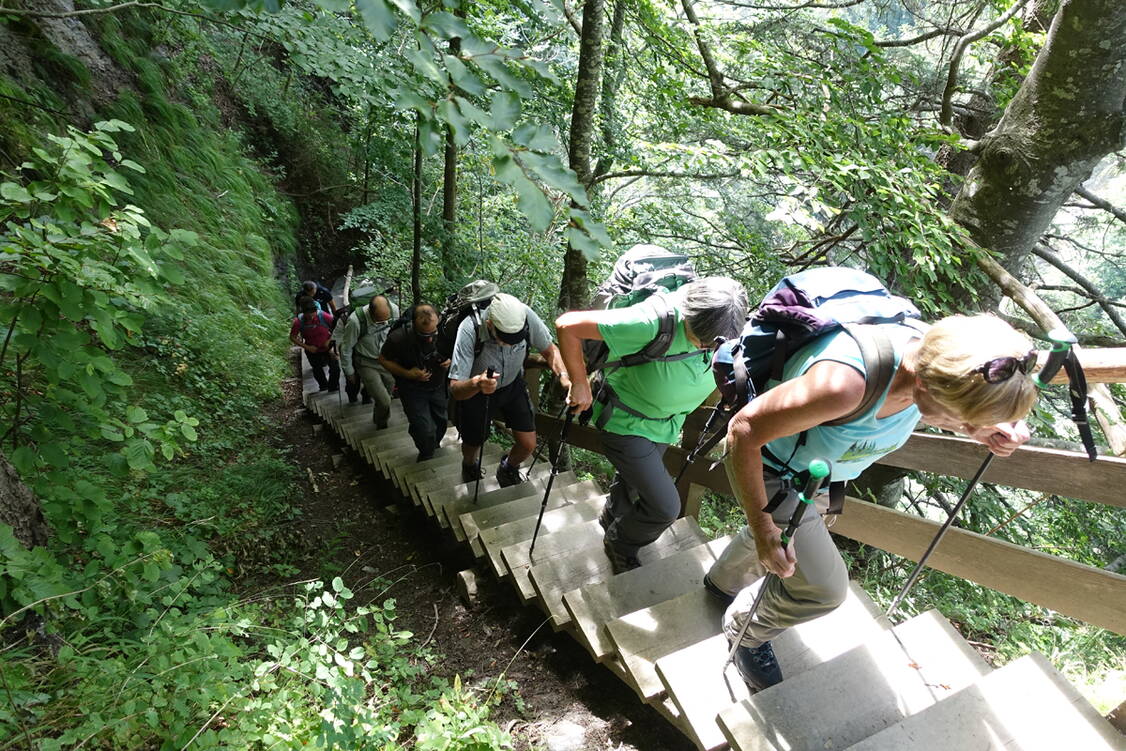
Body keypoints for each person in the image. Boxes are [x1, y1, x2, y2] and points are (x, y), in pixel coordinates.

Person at [703, 313, 1036, 692]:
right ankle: (744, 631)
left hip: (824, 475)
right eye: (960, 421)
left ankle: (720, 583)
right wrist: (765, 528)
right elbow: (742, 432)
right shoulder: (845, 385)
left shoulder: (944, 358)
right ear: (925, 386)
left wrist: (992, 417)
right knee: (823, 589)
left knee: (785, 543)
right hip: (776, 472)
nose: (968, 431)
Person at [557, 278, 750, 573]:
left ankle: (612, 515)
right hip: (625, 423)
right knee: (664, 507)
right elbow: (568, 325)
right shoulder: (649, 322)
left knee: (636, 482)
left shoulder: (723, 326)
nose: (711, 350)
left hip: (666, 424)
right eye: (705, 342)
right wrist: (580, 382)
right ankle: (620, 542)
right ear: (690, 316)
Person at [448, 292, 569, 486]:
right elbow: (455, 388)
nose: (509, 344)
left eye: (516, 339)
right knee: (474, 440)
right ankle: (469, 464)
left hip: (513, 386)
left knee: (528, 444)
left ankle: (508, 468)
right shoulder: (470, 328)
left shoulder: (525, 316)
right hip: (477, 391)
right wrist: (477, 383)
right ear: (490, 326)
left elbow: (549, 350)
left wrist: (564, 377)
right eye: (505, 340)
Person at [379, 304, 451, 461]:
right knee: (424, 428)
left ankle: (434, 444)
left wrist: (450, 361)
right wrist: (408, 373)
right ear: (413, 326)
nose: (431, 339)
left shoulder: (446, 331)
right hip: (412, 390)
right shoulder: (399, 338)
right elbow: (383, 359)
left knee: (442, 421)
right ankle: (426, 453)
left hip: (438, 386)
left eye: (434, 333)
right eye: (425, 336)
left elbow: (457, 350)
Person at [337, 295, 398, 428]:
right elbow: (346, 348)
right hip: (366, 363)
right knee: (384, 401)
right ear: (371, 312)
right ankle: (382, 423)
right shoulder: (355, 321)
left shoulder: (394, 310)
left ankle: (378, 417)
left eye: (386, 319)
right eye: (380, 320)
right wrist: (349, 371)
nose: (384, 322)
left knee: (386, 395)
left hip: (388, 361)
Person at [290, 296, 339, 392]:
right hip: (312, 350)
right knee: (317, 370)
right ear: (304, 313)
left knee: (335, 368)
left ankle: (333, 386)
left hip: (328, 348)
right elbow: (292, 337)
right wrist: (307, 347)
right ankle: (323, 386)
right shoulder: (298, 322)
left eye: (313, 313)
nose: (311, 316)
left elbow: (337, 328)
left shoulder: (323, 316)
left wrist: (329, 341)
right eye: (308, 314)